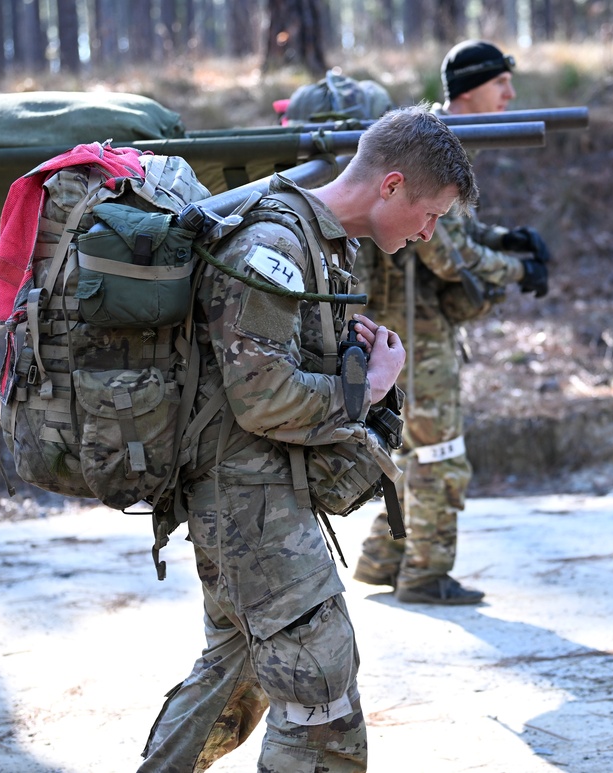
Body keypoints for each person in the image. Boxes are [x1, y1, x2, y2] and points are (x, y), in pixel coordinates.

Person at [137, 104, 478, 773]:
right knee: (323, 713)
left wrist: (347, 358)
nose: (428, 231)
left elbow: (265, 369)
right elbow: (262, 397)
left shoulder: (321, 245)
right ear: (390, 186)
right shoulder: (278, 246)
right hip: (252, 511)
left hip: (255, 505)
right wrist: (371, 385)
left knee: (232, 680)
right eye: (429, 213)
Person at [352, 39, 553, 605]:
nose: (511, 94)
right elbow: (447, 255)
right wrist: (518, 268)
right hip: (414, 329)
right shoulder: (437, 150)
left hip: (403, 322)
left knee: (412, 449)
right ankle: (426, 574)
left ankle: (384, 558)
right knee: (439, 452)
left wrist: (503, 240)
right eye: (500, 84)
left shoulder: (437, 141)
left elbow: (457, 237)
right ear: (470, 88)